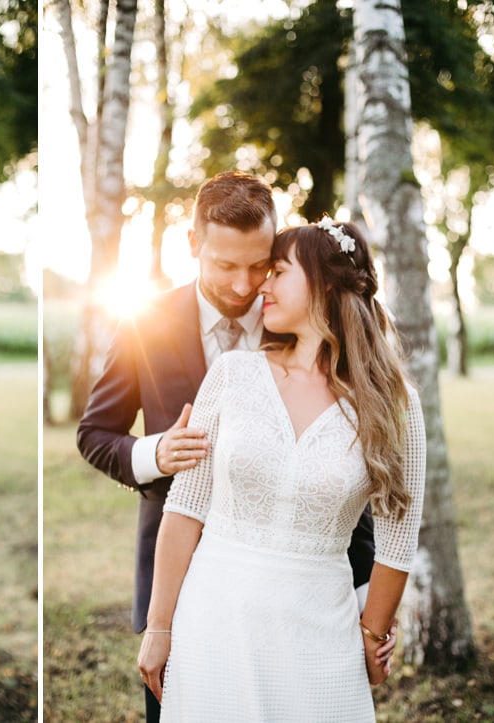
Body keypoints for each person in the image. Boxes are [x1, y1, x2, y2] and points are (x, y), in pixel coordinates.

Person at [76, 171, 382, 721]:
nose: (245, 285)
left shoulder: (303, 326)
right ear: (193, 245)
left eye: (260, 265)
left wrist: (366, 608)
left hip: (304, 601)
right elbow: (94, 433)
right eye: (225, 265)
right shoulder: (145, 324)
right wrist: (154, 454)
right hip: (176, 573)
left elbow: (339, 469)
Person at [137, 219, 426, 720]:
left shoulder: (394, 406)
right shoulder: (232, 374)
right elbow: (185, 509)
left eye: (277, 271)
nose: (261, 286)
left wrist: (372, 636)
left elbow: (398, 542)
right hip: (214, 619)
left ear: (325, 283)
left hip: (321, 635)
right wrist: (160, 628)